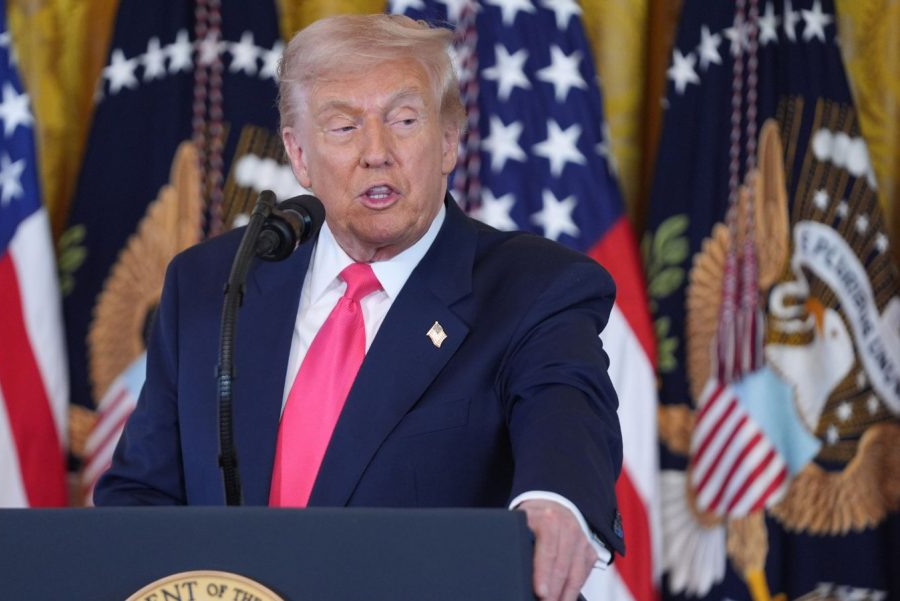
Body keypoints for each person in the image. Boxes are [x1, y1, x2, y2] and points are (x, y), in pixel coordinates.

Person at [95, 14, 624, 601]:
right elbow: (140, 501)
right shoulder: (212, 285)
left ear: (448, 139)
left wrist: (556, 502)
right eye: (344, 127)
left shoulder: (533, 288)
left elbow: (568, 410)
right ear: (298, 154)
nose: (377, 152)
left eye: (403, 120)